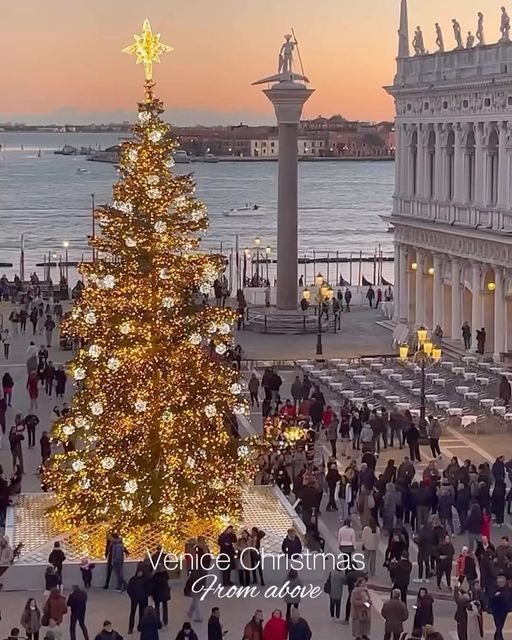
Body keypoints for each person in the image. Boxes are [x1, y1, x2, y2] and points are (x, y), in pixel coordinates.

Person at [127, 567, 149, 634]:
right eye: (139, 572)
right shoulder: (133, 580)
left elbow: (149, 589)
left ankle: (141, 626)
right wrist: (132, 596)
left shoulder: (145, 580)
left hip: (143, 599)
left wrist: (146, 595)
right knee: (132, 613)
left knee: (142, 613)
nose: (140, 573)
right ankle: (131, 628)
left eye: (141, 572)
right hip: (134, 599)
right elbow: (129, 589)